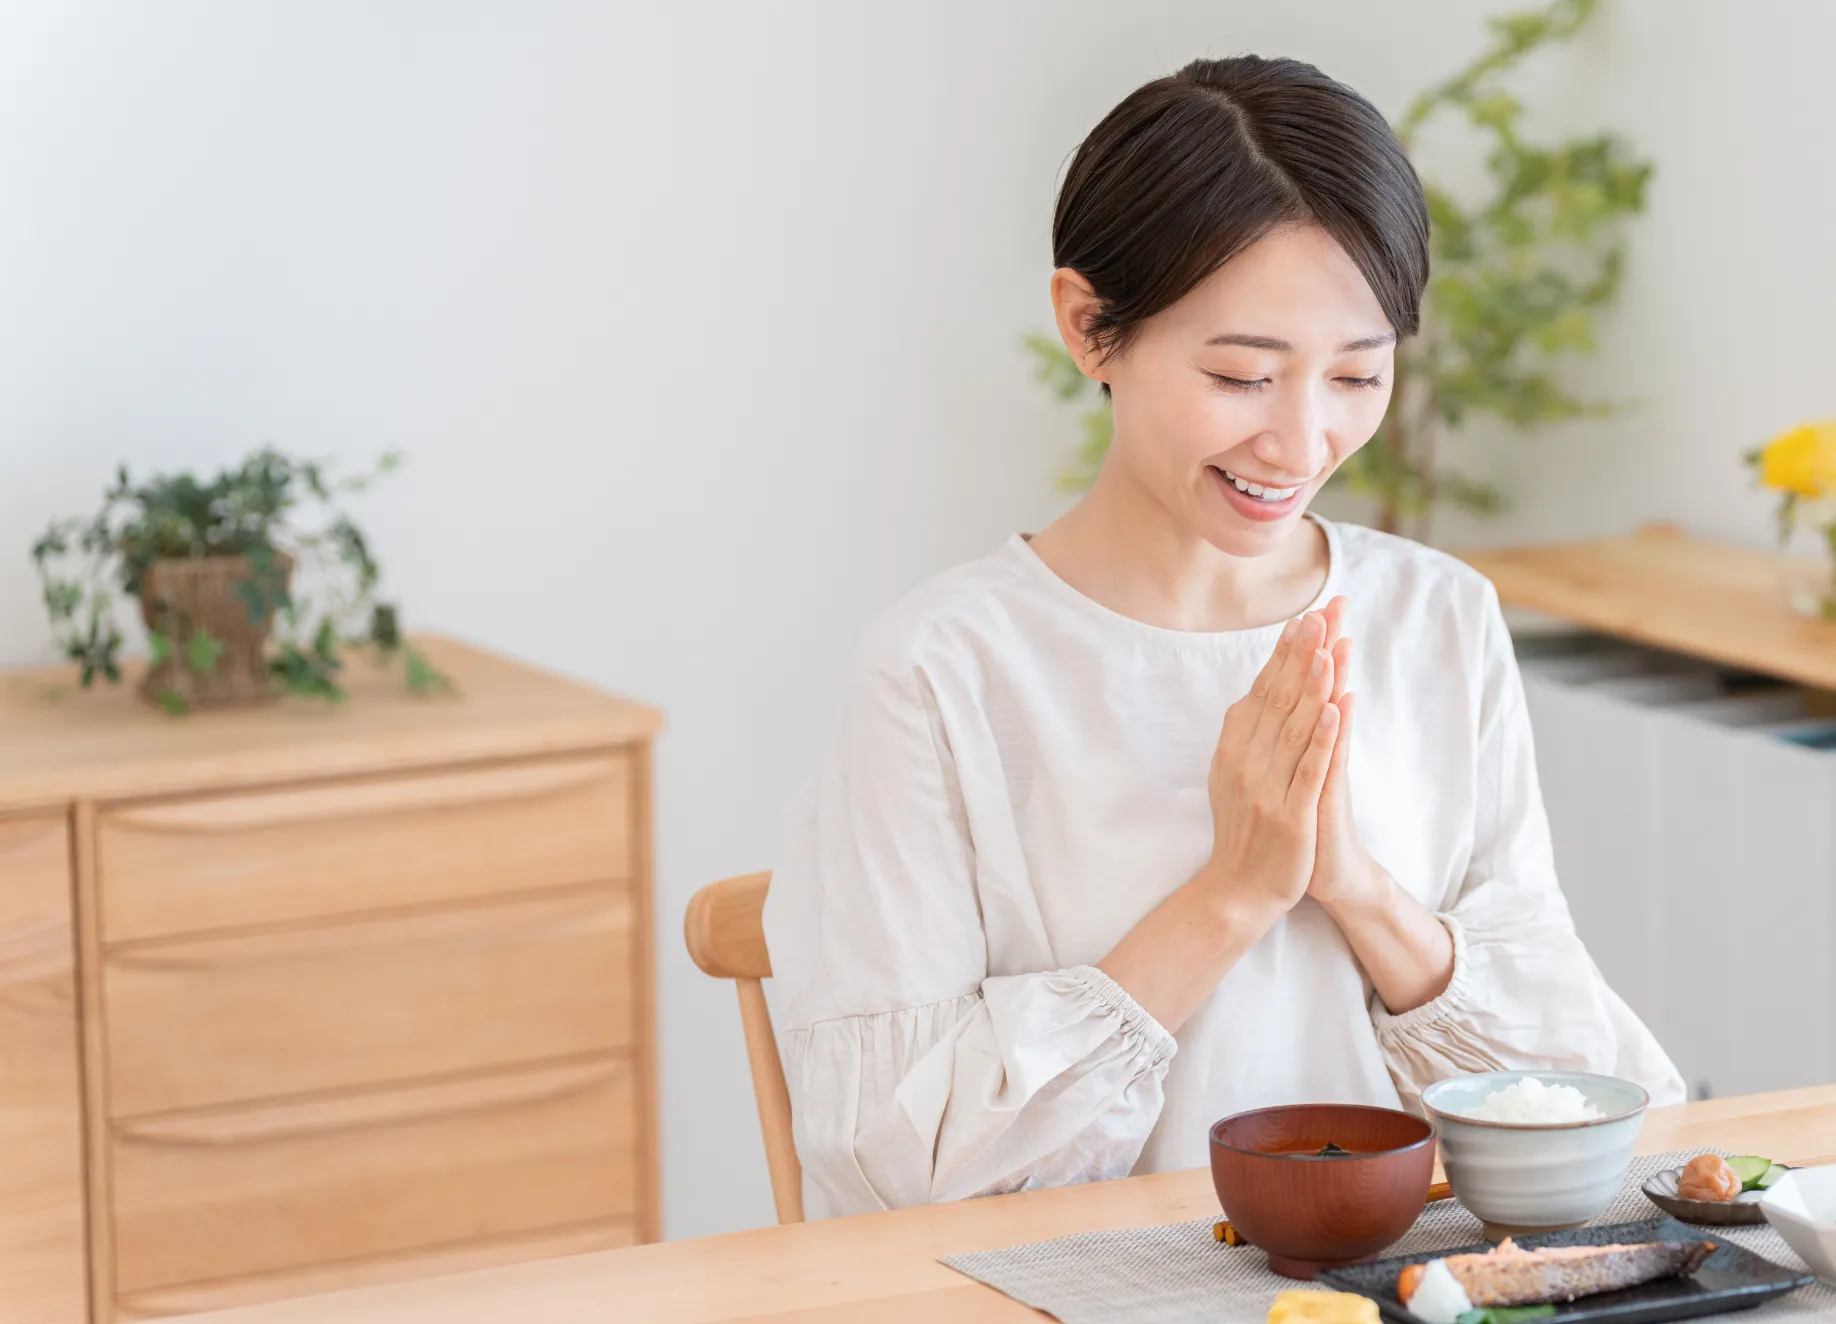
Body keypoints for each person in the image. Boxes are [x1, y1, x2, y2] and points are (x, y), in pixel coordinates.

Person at [761, 54, 1683, 1220]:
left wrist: (1357, 890)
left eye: (1358, 373)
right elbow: (897, 1169)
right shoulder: (944, 671)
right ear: (1090, 327)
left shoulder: (1438, 617)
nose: (1302, 444)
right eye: (1244, 375)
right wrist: (1233, 892)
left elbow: (1584, 1099)